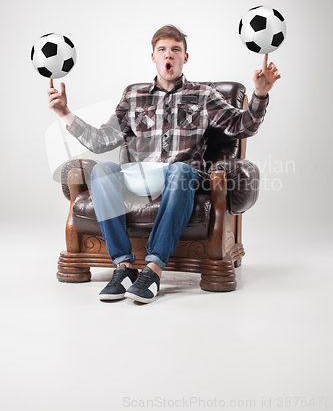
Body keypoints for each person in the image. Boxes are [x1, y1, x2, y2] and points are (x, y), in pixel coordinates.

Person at [47, 25, 281, 303]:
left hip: (182, 178)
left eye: (175, 50)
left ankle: (153, 269)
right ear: (153, 57)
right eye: (162, 50)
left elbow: (244, 126)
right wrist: (64, 113)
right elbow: (100, 141)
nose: (168, 55)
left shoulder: (205, 96)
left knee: (180, 170)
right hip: (140, 180)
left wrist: (260, 95)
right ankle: (123, 267)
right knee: (102, 170)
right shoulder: (134, 98)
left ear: (185, 57)